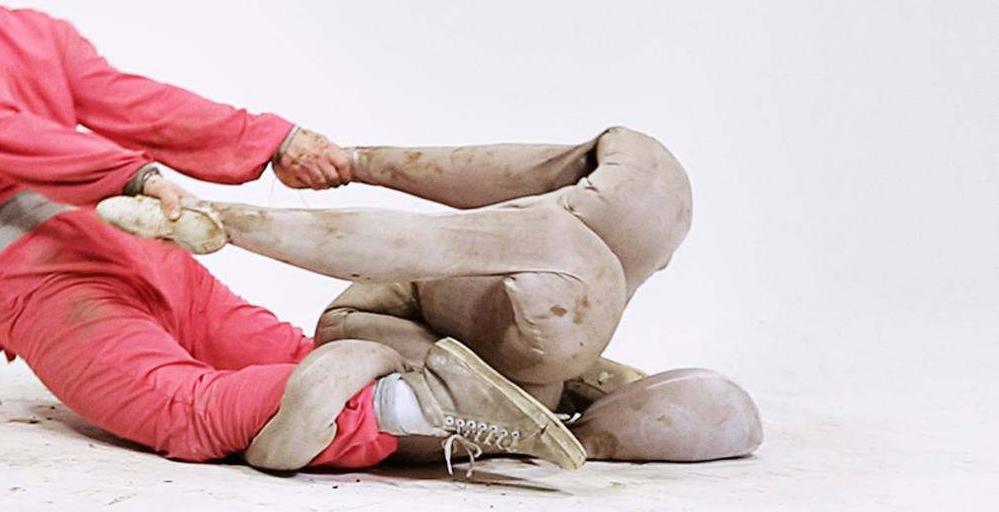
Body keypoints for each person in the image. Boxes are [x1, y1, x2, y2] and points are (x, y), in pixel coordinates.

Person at [0, 0, 589, 477]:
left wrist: (134, 176)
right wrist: (270, 138)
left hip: (51, 282)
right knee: (291, 358)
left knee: (187, 410)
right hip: (145, 254)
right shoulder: (27, 29)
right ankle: (528, 399)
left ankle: (434, 405)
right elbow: (135, 103)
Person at [102, 129, 764, 464]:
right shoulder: (641, 199)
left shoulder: (572, 244)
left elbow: (413, 242)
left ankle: (512, 421)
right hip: (444, 342)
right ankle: (532, 418)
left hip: (460, 360)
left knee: (352, 363)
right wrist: (359, 163)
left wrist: (225, 223)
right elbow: (477, 192)